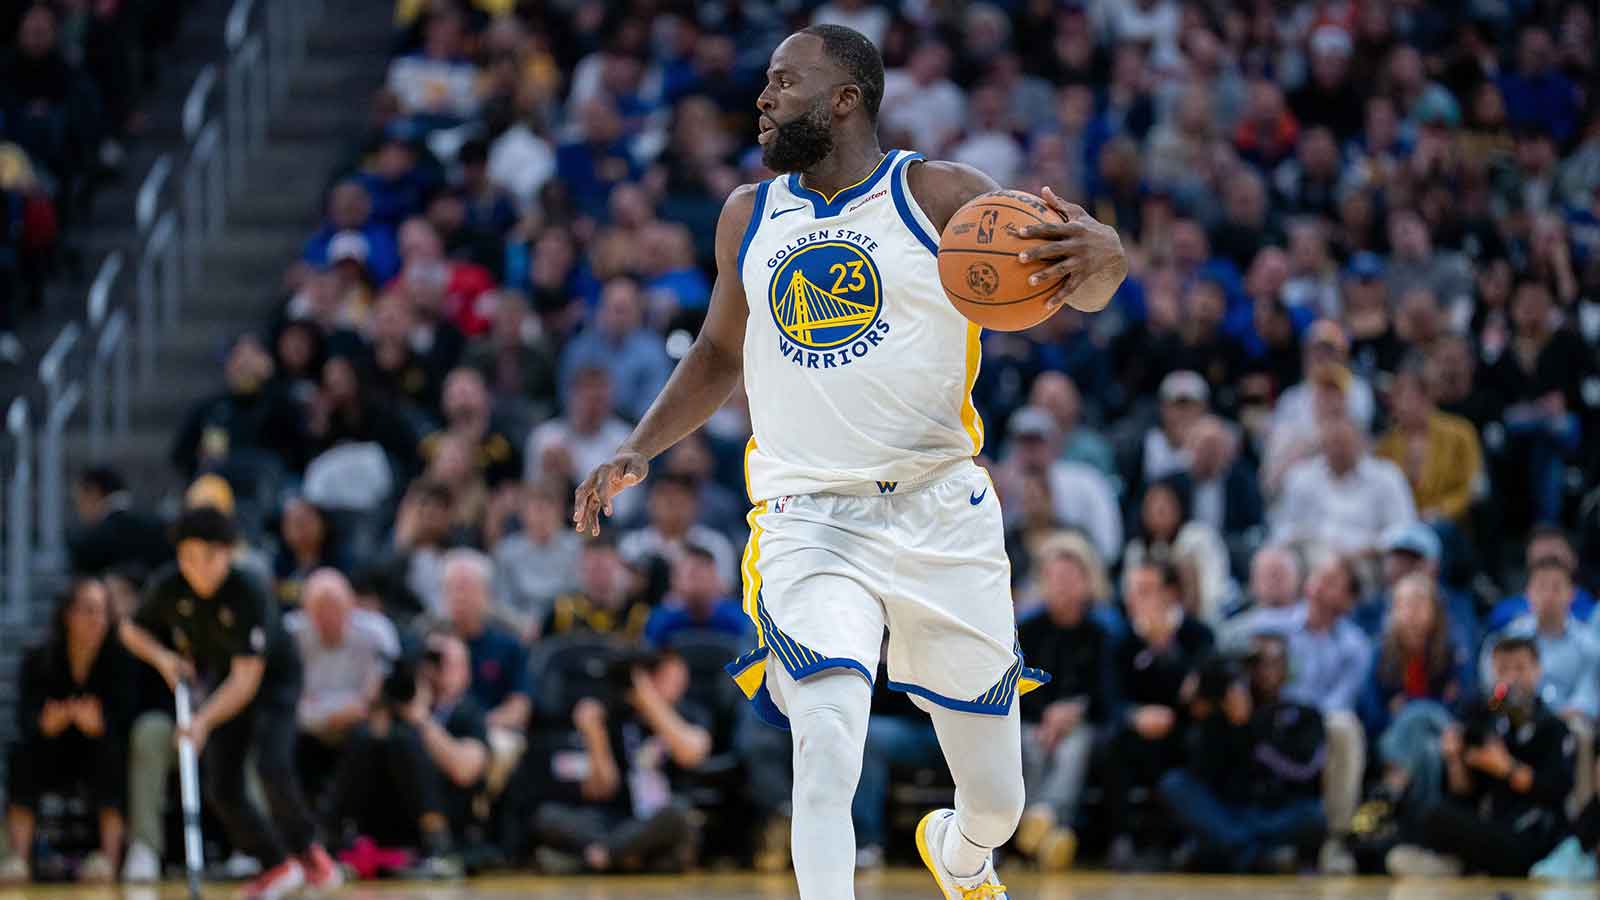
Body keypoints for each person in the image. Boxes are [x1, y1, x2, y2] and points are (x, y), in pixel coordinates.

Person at [571, 23, 1127, 900]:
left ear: (844, 100)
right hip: (809, 516)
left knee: (997, 802)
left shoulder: (940, 195)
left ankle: (963, 851)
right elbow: (717, 351)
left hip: (940, 508)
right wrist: (637, 447)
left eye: (784, 82)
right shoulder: (749, 215)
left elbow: (1077, 282)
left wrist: (1107, 260)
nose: (764, 97)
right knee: (828, 737)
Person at [118, 507, 340, 900]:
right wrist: (164, 658)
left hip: (272, 681)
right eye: (188, 558)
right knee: (222, 784)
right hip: (222, 678)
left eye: (208, 558)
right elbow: (130, 630)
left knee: (271, 764)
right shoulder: (170, 586)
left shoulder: (249, 590)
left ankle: (309, 853)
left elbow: (246, 680)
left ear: (227, 553)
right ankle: (275, 864)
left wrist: (201, 721)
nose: (197, 569)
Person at [1386, 636, 1575, 877]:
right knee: (1426, 810)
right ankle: (1456, 863)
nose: (1511, 678)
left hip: (1533, 834)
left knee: (1443, 824)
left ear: (1537, 670)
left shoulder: (1554, 727)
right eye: (1503, 670)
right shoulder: (1485, 720)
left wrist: (1507, 768)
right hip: (1491, 826)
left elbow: (1557, 791)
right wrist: (1454, 758)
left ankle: (1455, 865)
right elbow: (1463, 791)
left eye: (1520, 668)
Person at [1, 579, 134, 884]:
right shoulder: (39, 657)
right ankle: (17, 858)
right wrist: (46, 722)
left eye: (102, 611)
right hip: (53, 751)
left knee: (112, 752)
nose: (96, 620)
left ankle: (109, 859)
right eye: (88, 610)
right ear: (68, 615)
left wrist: (100, 724)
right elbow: (25, 716)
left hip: (98, 753)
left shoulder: (120, 659)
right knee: (21, 753)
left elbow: (125, 716)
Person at [1159, 636, 1327, 873]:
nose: (1265, 671)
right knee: (1174, 784)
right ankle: (1251, 853)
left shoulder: (1303, 713)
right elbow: (1200, 771)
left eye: (1273, 662)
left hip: (1271, 811)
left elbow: (1305, 773)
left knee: (1313, 816)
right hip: (1225, 810)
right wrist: (1212, 719)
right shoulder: (1220, 710)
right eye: (1257, 663)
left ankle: (1230, 850)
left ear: (1286, 668)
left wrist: (1249, 728)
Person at [328, 632, 489, 878]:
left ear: (466, 673)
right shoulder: (398, 705)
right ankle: (335, 840)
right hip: (392, 815)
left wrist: (421, 719)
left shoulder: (470, 713)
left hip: (446, 814)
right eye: (432, 660)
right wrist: (376, 702)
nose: (437, 669)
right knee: (363, 738)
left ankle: (438, 848)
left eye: (448, 663)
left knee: (406, 742)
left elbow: (465, 771)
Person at [1101, 561, 1215, 870]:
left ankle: (1189, 839)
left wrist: (1164, 650)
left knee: (1205, 740)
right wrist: (1135, 715)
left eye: (1146, 590)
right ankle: (1121, 838)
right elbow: (1110, 700)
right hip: (1137, 732)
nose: (1136, 599)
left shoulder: (1198, 635)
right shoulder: (1120, 640)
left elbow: (1198, 695)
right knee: (1113, 743)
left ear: (1171, 593)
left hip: (1185, 730)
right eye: (1133, 591)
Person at [1012, 534, 1110, 870]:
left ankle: (1043, 818)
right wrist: (1046, 717)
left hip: (1082, 725)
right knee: (1028, 745)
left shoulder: (1102, 631)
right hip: (1033, 721)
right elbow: (1015, 686)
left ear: (1087, 582)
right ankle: (1051, 832)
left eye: (1070, 578)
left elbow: (1107, 694)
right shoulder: (1026, 628)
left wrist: (1074, 711)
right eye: (1055, 578)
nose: (1063, 587)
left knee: (1074, 747)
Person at [284, 569, 400, 802]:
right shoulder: (290, 634)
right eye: (319, 610)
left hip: (356, 722)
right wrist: (325, 718)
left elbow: (376, 695)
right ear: (305, 610)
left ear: (351, 605)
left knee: (373, 737)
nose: (328, 617)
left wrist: (359, 709)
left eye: (334, 608)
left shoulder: (376, 632)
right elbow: (284, 695)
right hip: (306, 722)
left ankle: (345, 815)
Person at [67, 467, 171, 577]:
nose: (79, 510)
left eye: (79, 501)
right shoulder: (160, 524)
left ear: (93, 492)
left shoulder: (90, 541)